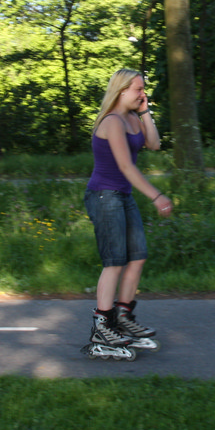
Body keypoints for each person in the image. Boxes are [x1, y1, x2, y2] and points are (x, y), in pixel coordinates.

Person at [82, 69, 173, 358]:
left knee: (138, 257)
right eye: (138, 89)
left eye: (143, 89)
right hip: (104, 196)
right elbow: (125, 166)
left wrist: (145, 112)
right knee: (114, 262)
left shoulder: (133, 118)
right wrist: (156, 196)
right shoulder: (111, 121)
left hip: (122, 195)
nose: (142, 93)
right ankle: (102, 327)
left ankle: (122, 318)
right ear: (121, 91)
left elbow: (154, 144)